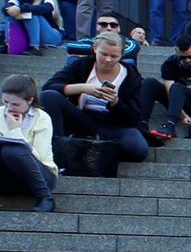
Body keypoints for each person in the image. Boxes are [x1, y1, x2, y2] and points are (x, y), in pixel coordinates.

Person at [40, 32, 151, 165]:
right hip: (82, 117)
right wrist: (83, 88)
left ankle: (96, 147)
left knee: (138, 149)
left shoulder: (131, 76)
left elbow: (133, 118)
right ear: (94, 49)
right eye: (103, 54)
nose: (108, 60)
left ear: (121, 55)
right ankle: (58, 147)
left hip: (114, 124)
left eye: (114, 56)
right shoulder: (82, 65)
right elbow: (49, 86)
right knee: (49, 96)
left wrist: (115, 102)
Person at [0, 71, 57, 209]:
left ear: (30, 100)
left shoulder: (42, 118)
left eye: (15, 104)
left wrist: (15, 132)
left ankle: (46, 198)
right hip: (7, 178)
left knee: (11, 151)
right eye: (5, 101)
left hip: (40, 176)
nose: (9, 108)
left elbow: (40, 156)